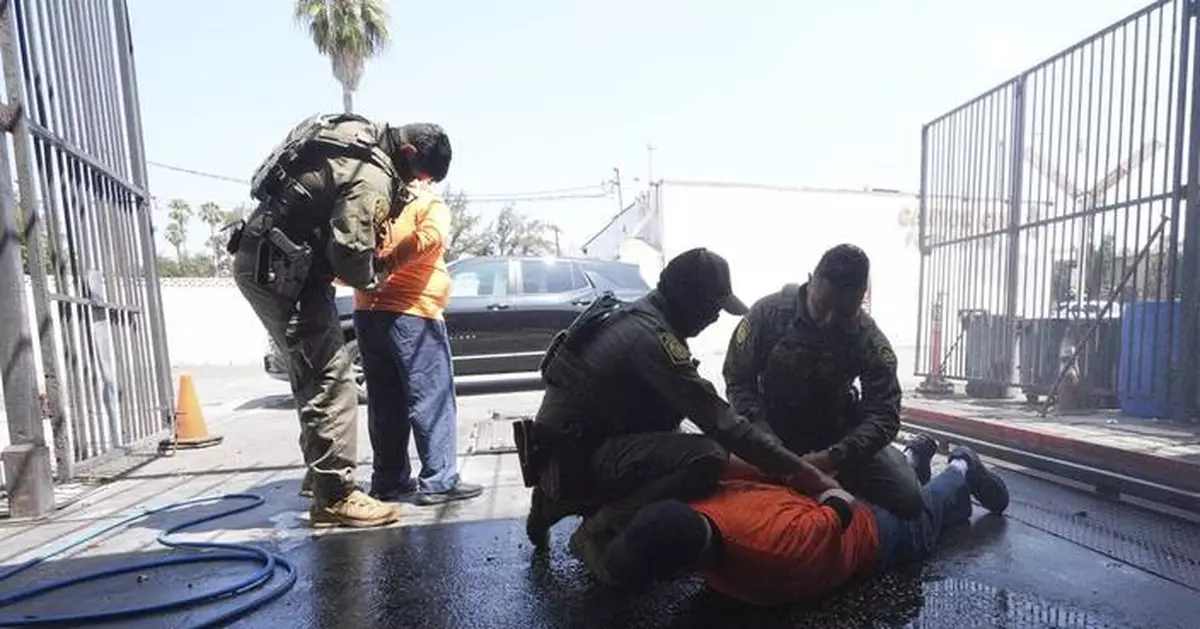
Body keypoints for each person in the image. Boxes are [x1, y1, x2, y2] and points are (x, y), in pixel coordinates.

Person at [518, 247, 836, 582]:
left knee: (679, 434)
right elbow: (721, 421)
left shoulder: (634, 315)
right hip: (576, 461)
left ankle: (552, 504)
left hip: (565, 452)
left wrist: (773, 466)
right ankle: (600, 529)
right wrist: (800, 470)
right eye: (713, 308)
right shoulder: (650, 340)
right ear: (689, 301)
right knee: (706, 457)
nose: (715, 318)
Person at [229, 113, 451, 528]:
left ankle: (321, 478)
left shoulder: (353, 133)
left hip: (270, 260)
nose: (413, 185)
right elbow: (351, 253)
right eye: (417, 175)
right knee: (330, 378)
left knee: (312, 372)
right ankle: (335, 496)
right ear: (407, 151)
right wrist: (375, 275)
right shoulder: (373, 174)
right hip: (283, 272)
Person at [598, 435, 1011, 603]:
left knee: (924, 515)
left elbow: (842, 501)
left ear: (683, 570)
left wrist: (820, 484)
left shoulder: (775, 549)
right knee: (905, 496)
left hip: (862, 528)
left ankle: (958, 465)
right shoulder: (706, 499)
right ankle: (918, 459)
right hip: (821, 504)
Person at [722, 243, 924, 519]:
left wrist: (833, 457)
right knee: (715, 473)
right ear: (810, 281)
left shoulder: (868, 339)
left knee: (909, 500)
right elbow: (738, 380)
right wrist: (766, 440)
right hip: (769, 430)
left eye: (843, 314)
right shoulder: (767, 314)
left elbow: (884, 415)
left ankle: (918, 458)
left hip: (835, 437)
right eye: (821, 307)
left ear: (861, 299)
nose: (828, 321)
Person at [353, 176, 483, 506]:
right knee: (432, 399)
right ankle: (439, 481)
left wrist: (371, 270)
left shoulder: (366, 207)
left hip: (367, 314)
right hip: (414, 313)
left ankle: (388, 480)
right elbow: (432, 237)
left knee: (385, 403)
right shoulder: (427, 202)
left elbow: (344, 254)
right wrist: (388, 265)